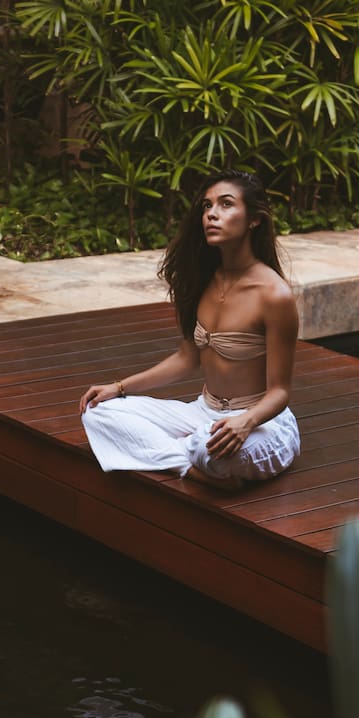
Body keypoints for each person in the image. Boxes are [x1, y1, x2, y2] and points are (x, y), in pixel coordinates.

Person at [78, 171, 301, 486]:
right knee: (98, 411)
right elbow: (187, 358)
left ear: (253, 219)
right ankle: (189, 467)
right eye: (207, 206)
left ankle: (183, 455)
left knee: (206, 449)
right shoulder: (203, 281)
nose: (211, 213)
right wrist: (120, 387)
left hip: (262, 422)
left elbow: (280, 392)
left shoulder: (274, 295)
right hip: (203, 411)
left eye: (226, 204)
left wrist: (244, 422)